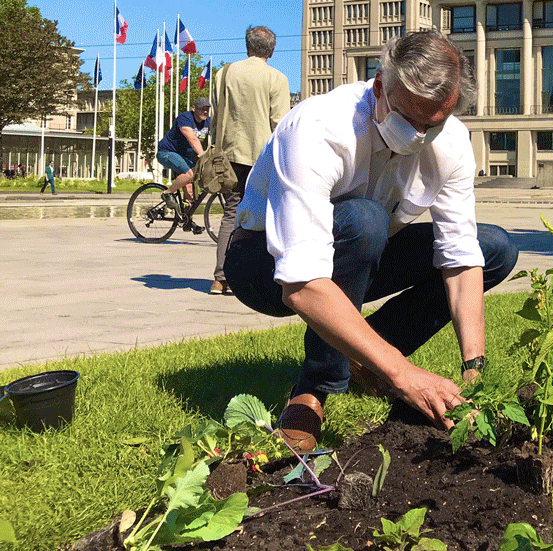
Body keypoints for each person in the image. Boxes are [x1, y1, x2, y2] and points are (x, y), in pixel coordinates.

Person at [223, 30, 519, 453]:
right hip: (261, 262)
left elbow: (459, 255)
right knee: (365, 221)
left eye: (431, 125)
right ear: (379, 86)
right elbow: (302, 282)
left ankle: (365, 353)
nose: (417, 136)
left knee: (493, 248)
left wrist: (475, 370)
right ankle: (314, 390)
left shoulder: (452, 142)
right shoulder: (318, 128)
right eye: (407, 118)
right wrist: (403, 373)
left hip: (361, 252)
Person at [208, 26, 291, 296]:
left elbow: (215, 118)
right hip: (262, 157)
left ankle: (221, 278)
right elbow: (280, 124)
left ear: (247, 46)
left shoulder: (224, 73)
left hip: (229, 155)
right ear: (272, 50)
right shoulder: (276, 78)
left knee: (231, 214)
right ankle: (258, 277)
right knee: (268, 215)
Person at [157, 98, 212, 209]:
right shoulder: (185, 118)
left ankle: (187, 219)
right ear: (194, 108)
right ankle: (167, 194)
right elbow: (192, 139)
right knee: (190, 174)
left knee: (190, 191)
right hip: (167, 153)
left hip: (184, 157)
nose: (205, 112)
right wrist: (204, 157)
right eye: (202, 109)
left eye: (207, 109)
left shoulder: (208, 121)